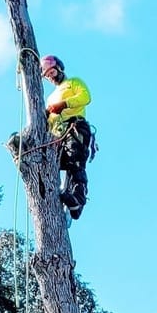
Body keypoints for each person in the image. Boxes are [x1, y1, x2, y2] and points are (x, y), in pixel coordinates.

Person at [40, 54, 93, 220]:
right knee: (57, 163)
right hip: (58, 135)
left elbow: (85, 97)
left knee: (75, 160)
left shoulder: (73, 83)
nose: (51, 78)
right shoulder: (50, 98)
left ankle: (78, 198)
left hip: (75, 127)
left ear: (60, 69)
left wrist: (64, 104)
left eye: (52, 73)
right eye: (48, 76)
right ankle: (65, 197)